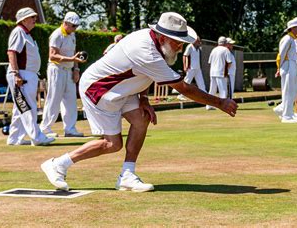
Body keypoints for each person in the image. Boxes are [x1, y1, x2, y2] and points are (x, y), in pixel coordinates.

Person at [40, 12, 238, 192]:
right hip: (99, 90)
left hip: (124, 89)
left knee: (141, 118)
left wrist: (143, 98)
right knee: (112, 144)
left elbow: (144, 74)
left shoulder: (156, 44)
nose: (180, 46)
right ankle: (58, 164)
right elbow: (184, 88)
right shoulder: (147, 52)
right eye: (177, 41)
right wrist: (220, 103)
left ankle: (127, 175)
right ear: (162, 37)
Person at [6, 7, 55, 146]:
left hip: (28, 74)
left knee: (20, 107)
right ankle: (37, 137)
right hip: (22, 73)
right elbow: (12, 53)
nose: (35, 19)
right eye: (32, 17)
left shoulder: (27, 34)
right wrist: (16, 74)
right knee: (28, 106)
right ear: (24, 19)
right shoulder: (18, 32)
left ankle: (15, 138)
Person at [40, 12, 87, 137]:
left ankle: (70, 129)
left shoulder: (72, 35)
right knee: (54, 98)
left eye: (76, 26)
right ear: (65, 23)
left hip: (69, 70)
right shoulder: (57, 35)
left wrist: (76, 70)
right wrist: (72, 59)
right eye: (73, 26)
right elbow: (52, 55)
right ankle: (45, 128)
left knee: (71, 100)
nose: (74, 28)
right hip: (56, 69)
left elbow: (74, 53)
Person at [273, 19, 297, 123]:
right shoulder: (287, 39)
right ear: (293, 28)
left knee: (295, 90)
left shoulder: (292, 39)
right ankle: (286, 116)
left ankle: (282, 109)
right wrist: (279, 68)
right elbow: (281, 54)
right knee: (288, 91)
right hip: (288, 65)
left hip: (292, 65)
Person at [206, 36, 233, 110]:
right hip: (221, 72)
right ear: (225, 43)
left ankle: (209, 105)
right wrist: (227, 70)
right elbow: (229, 62)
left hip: (212, 72)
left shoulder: (213, 50)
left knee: (212, 89)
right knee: (223, 90)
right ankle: (223, 106)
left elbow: (209, 62)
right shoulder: (226, 50)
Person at [177, 36, 205, 101]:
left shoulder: (198, 48)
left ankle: (204, 95)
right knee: (187, 82)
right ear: (194, 41)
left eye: (199, 41)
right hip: (191, 68)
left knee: (201, 83)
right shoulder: (190, 46)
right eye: (198, 41)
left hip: (198, 68)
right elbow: (185, 56)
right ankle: (180, 95)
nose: (199, 42)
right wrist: (185, 66)